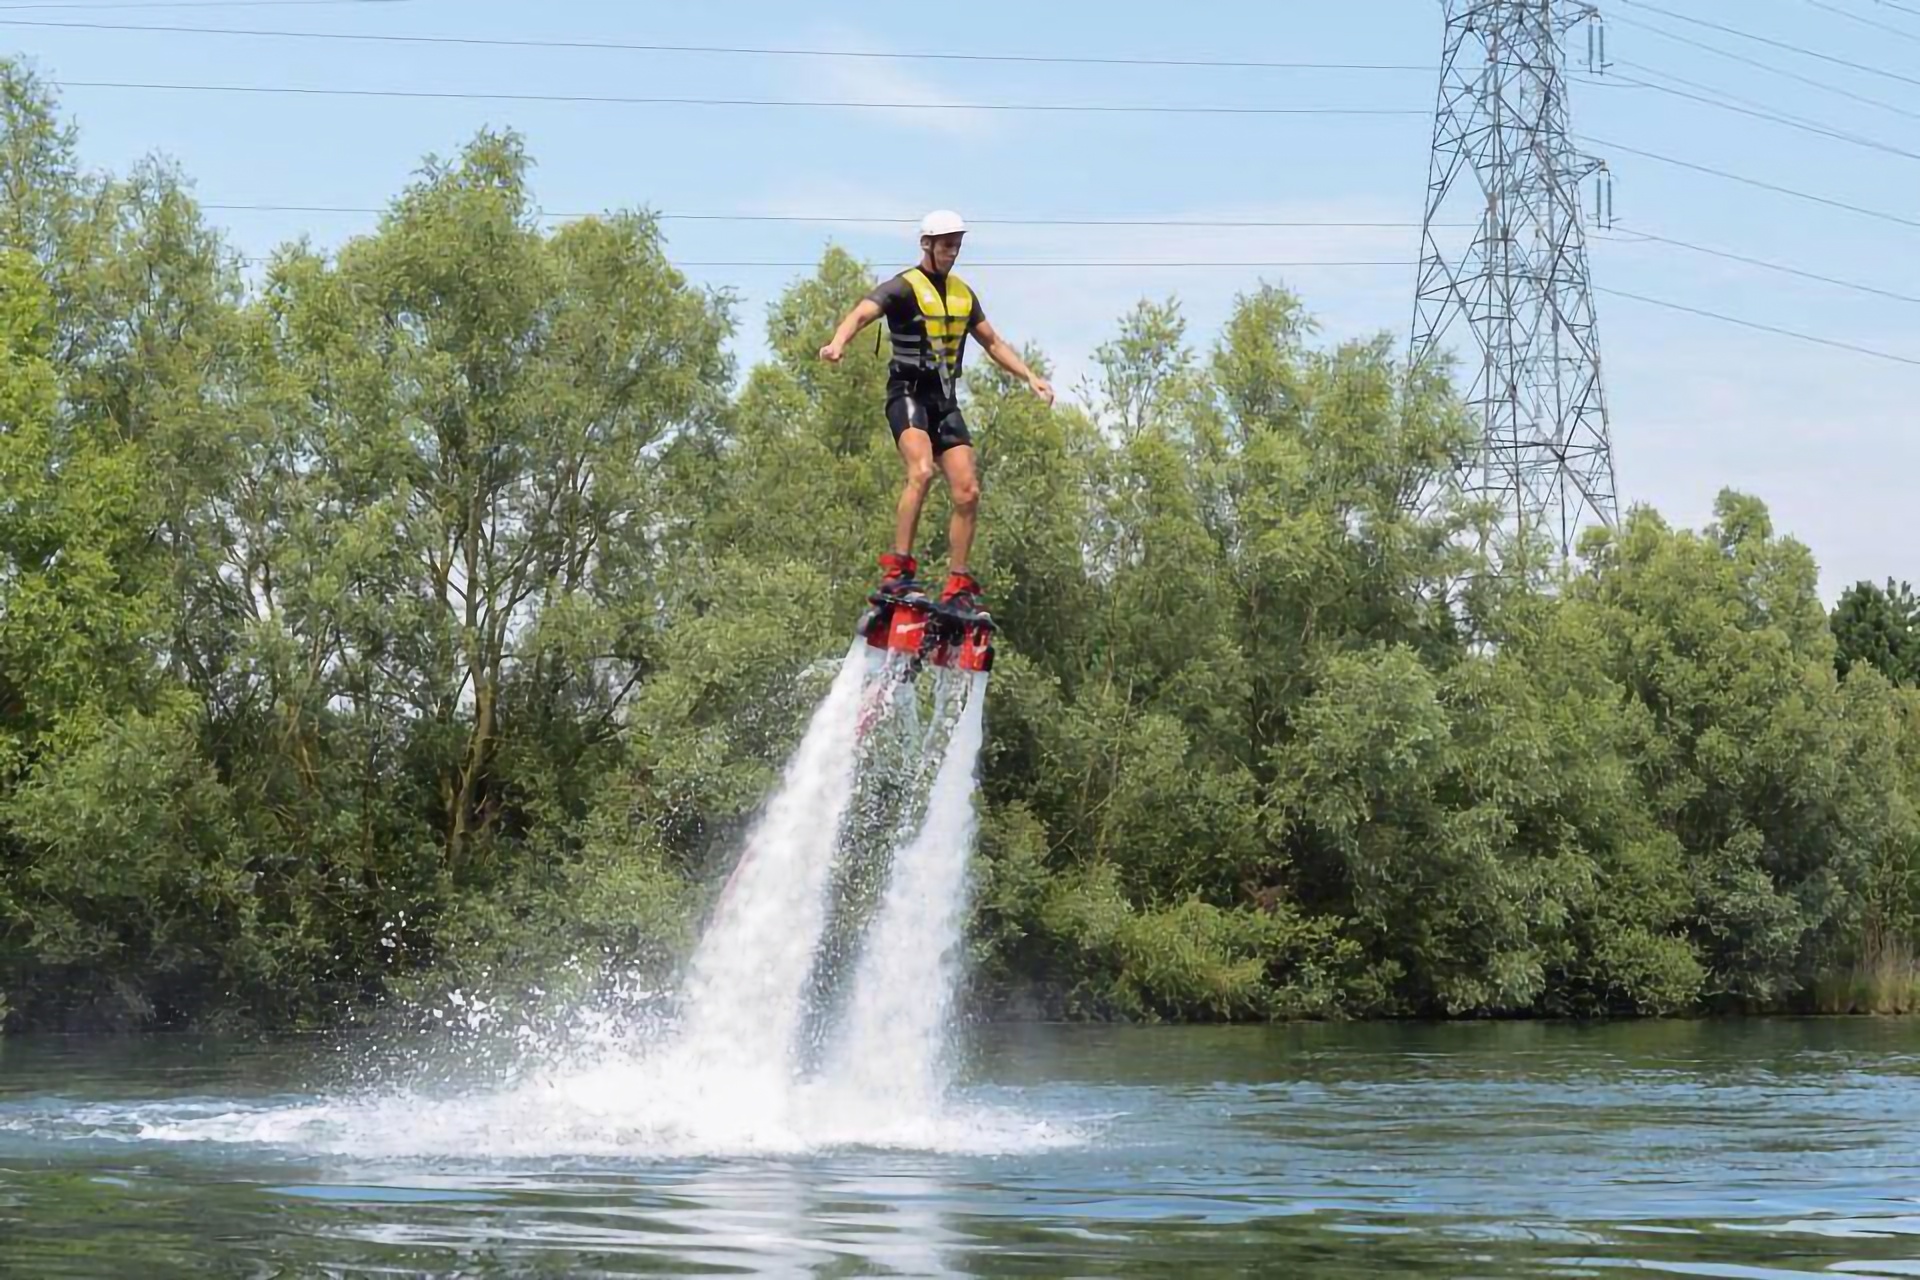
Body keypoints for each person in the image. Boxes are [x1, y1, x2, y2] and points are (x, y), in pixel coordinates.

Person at [818, 209, 1053, 618]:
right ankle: (898, 570)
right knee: (922, 471)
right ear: (927, 244)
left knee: (968, 490)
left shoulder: (963, 294)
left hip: (944, 403)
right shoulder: (902, 288)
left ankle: (958, 583)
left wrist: (1030, 376)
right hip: (906, 396)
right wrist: (838, 343)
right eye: (946, 245)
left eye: (957, 245)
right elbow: (860, 313)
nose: (952, 252)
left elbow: (992, 342)